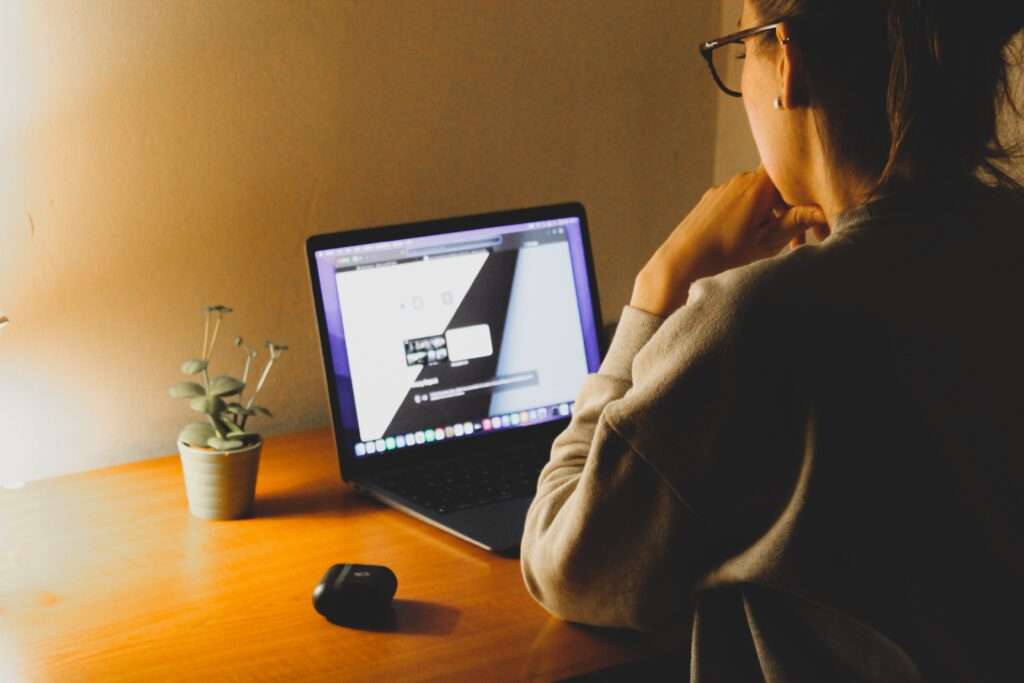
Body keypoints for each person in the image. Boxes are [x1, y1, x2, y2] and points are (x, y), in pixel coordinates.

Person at [520, 1, 1024, 680]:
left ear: (786, 61)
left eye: (737, 51)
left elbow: (565, 562)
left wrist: (655, 291)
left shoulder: (760, 323)